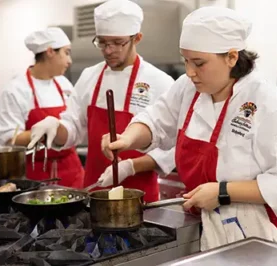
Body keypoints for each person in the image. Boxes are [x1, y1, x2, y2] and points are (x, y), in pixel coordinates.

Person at [101, 7, 277, 250]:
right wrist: (128, 138)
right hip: (204, 223)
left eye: (199, 63)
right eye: (186, 61)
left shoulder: (272, 106)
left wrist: (223, 192)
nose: (190, 72)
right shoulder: (188, 88)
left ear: (232, 57)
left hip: (259, 233)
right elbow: (157, 120)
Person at [27, 0, 176, 202]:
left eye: (117, 42)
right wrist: (55, 126)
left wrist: (130, 166)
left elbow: (172, 147)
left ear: (137, 38)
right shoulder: (90, 76)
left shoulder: (159, 82)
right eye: (102, 42)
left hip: (141, 198)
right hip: (94, 192)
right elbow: (73, 128)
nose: (108, 50)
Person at [0, 27, 84, 188]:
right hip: (36, 174)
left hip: (72, 172)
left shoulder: (64, 84)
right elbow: (9, 138)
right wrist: (43, 132)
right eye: (66, 52)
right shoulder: (16, 89)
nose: (69, 61)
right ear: (50, 52)